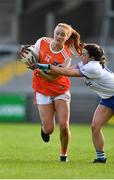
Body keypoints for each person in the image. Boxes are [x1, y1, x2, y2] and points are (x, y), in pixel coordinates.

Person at [29, 43, 114, 164]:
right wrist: (42, 65)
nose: (81, 55)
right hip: (107, 99)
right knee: (95, 127)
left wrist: (43, 66)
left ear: (91, 57)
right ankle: (101, 158)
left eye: (84, 54)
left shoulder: (93, 68)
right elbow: (66, 68)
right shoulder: (86, 64)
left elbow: (68, 73)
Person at [20, 23, 83, 162]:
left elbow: (52, 77)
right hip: (42, 89)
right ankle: (44, 129)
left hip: (60, 89)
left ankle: (63, 155)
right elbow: (32, 55)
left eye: (63, 34)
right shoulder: (42, 41)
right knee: (49, 130)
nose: (59, 36)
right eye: (57, 33)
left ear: (67, 37)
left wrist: (36, 70)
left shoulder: (66, 55)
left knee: (64, 125)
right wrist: (25, 51)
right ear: (53, 33)